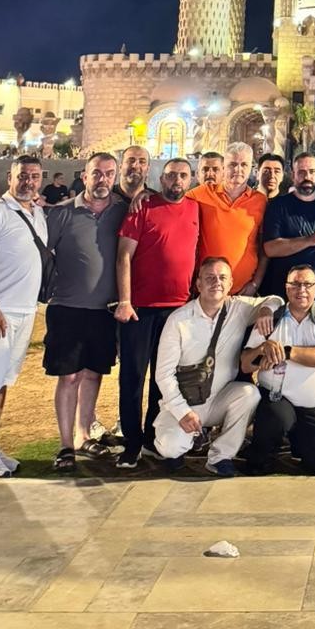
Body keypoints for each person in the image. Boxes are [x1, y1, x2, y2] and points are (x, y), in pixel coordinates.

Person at [113, 157, 200, 469]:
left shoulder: (195, 209)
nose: (177, 181)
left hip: (177, 311)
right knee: (133, 377)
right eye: (171, 175)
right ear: (161, 179)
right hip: (141, 309)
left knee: (163, 379)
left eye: (183, 176)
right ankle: (131, 442)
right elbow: (124, 255)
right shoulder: (144, 207)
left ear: (191, 179)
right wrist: (125, 300)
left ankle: (151, 437)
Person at [43, 152, 127, 472]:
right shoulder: (63, 212)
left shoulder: (122, 211)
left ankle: (83, 433)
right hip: (67, 308)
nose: (103, 179)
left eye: (109, 173)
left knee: (93, 374)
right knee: (69, 376)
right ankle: (65, 445)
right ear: (85, 176)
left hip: (105, 310)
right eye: (97, 173)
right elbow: (43, 254)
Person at [0, 155, 49, 478]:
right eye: (22, 175)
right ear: (9, 177)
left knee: (2, 381)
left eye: (34, 176)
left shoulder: (37, 213)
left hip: (24, 311)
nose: (28, 182)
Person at [153, 256, 263, 476]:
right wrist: (183, 412)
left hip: (218, 399)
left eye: (222, 277)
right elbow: (163, 374)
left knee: (249, 393)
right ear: (199, 284)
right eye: (210, 278)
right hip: (185, 402)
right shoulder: (178, 320)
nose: (216, 282)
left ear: (231, 284)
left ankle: (220, 456)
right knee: (170, 447)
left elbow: (275, 300)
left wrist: (266, 311)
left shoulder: (239, 309)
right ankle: (184, 442)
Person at [241, 265, 315, 475]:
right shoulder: (272, 316)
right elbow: (246, 363)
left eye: (307, 284)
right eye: (295, 284)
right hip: (277, 397)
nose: (301, 290)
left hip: (313, 405)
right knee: (277, 419)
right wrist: (262, 349)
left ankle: (296, 440)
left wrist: (286, 352)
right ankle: (261, 454)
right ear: (286, 288)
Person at [188, 143, 266, 294]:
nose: (238, 169)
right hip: (208, 290)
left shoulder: (260, 201)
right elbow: (172, 201)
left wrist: (255, 284)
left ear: (251, 168)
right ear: (223, 167)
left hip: (243, 291)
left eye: (244, 164)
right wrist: (145, 194)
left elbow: (264, 247)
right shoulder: (202, 193)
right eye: (232, 164)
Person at [261, 152, 315, 299]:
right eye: (301, 172)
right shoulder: (278, 205)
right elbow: (270, 249)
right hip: (285, 290)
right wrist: (309, 240)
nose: (307, 177)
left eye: (312, 172)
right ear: (293, 175)